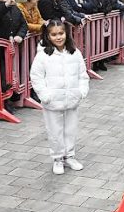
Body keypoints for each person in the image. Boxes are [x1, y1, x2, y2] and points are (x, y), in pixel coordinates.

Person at [30, 20, 89, 175]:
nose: (58, 37)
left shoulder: (74, 52)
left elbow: (83, 74)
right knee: (55, 130)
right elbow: (36, 76)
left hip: (72, 98)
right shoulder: (43, 55)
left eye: (61, 33)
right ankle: (57, 158)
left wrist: (81, 91)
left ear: (66, 33)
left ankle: (70, 156)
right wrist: (45, 95)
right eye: (54, 34)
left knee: (70, 129)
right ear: (48, 36)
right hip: (52, 100)